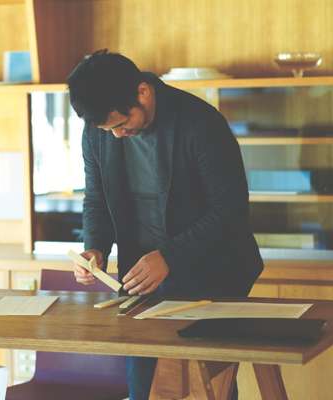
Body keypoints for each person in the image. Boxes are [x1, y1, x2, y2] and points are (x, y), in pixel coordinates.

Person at [67, 50, 264, 399]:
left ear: (142, 93)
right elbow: (96, 200)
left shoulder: (201, 123)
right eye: (106, 128)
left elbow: (229, 210)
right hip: (142, 282)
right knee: (144, 387)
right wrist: (95, 247)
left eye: (119, 124)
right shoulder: (97, 132)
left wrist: (170, 256)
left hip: (213, 275)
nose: (115, 136)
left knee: (208, 388)